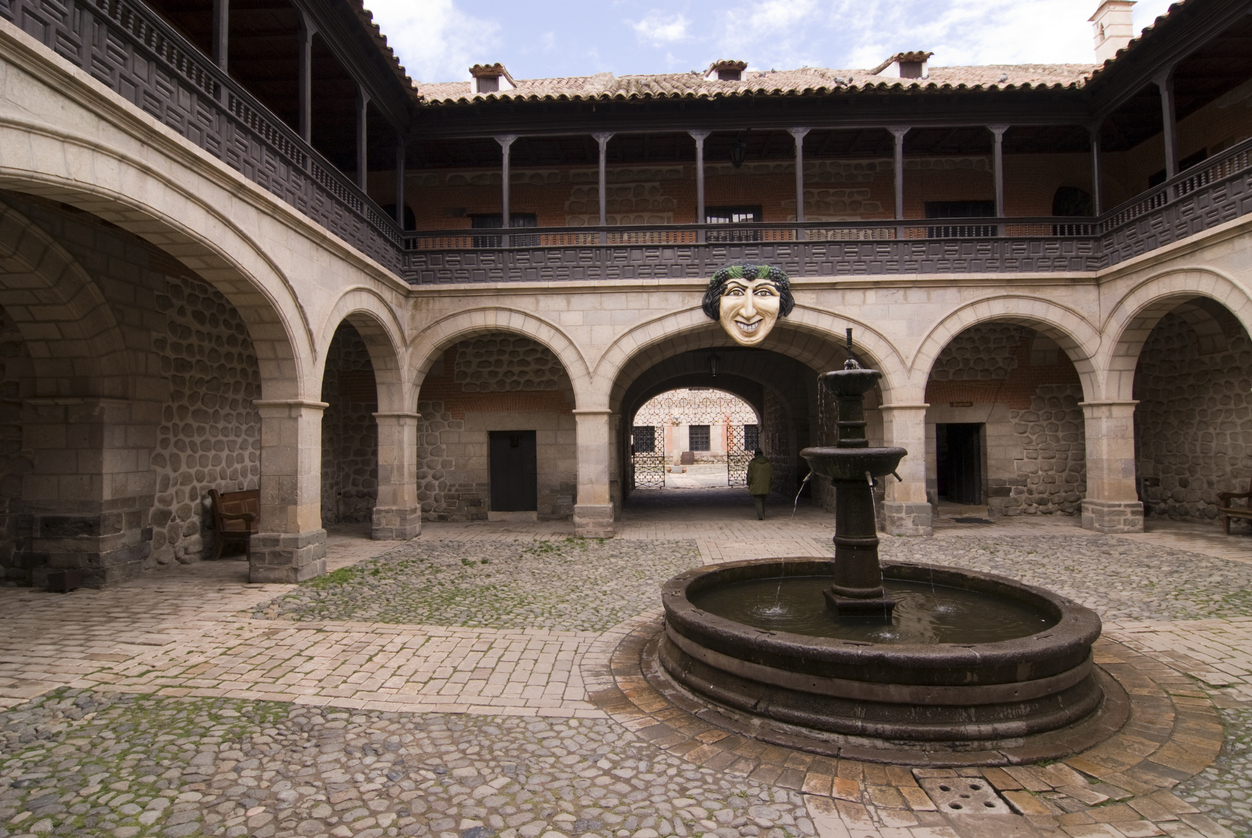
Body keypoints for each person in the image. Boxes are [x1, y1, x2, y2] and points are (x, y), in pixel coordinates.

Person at [746, 448, 772, 520]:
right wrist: (771, 483)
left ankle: (761, 516)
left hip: (755, 484)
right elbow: (772, 474)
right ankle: (762, 513)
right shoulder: (768, 462)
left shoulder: (753, 463)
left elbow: (750, 475)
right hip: (765, 485)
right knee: (763, 499)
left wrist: (748, 483)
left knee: (757, 500)